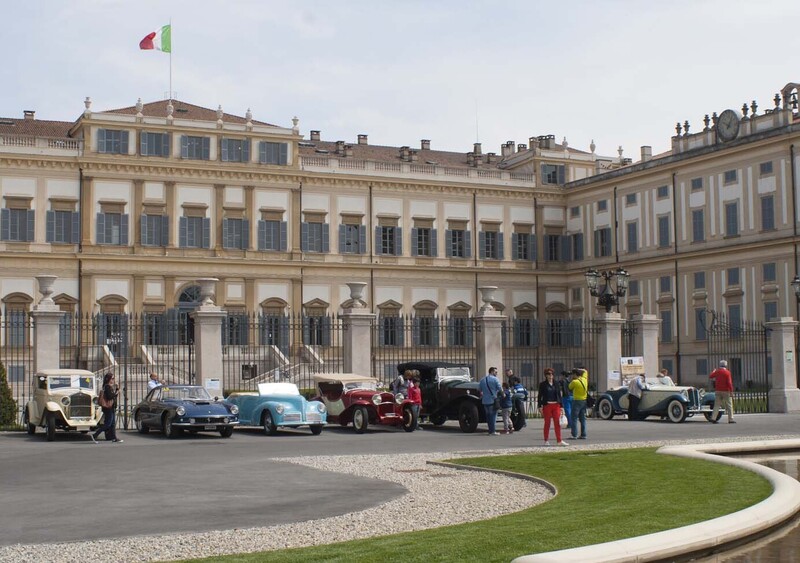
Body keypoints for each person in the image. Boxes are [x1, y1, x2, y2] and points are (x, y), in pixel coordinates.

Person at [537, 368, 568, 446]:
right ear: (546, 375)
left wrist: (561, 406)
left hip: (556, 405)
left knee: (557, 423)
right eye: (548, 374)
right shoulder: (543, 384)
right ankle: (546, 440)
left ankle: (559, 440)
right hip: (547, 405)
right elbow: (540, 396)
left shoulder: (556, 383)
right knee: (547, 423)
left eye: (551, 374)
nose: (550, 376)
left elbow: (559, 395)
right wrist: (539, 406)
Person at [92, 372, 123, 443]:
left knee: (112, 424)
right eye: (112, 378)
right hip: (108, 408)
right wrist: (117, 392)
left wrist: (117, 389)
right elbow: (110, 397)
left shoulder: (108, 386)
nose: (113, 380)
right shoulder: (107, 386)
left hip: (111, 407)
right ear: (108, 379)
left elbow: (113, 397)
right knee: (108, 424)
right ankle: (95, 435)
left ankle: (114, 437)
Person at [479, 366, 502, 435]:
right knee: (493, 416)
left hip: (485, 401)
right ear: (492, 371)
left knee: (488, 416)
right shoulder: (495, 379)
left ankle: (490, 430)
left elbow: (479, 389)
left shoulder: (482, 380)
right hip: (493, 400)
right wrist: (503, 394)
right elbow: (500, 388)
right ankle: (493, 431)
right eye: (496, 372)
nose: (496, 373)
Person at [568, 368, 589, 439]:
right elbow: (585, 371)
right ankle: (583, 434)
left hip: (576, 401)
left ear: (574, 374)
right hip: (584, 401)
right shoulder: (585, 379)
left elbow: (569, 387)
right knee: (582, 418)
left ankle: (574, 434)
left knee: (573, 418)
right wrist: (579, 369)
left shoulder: (575, 382)